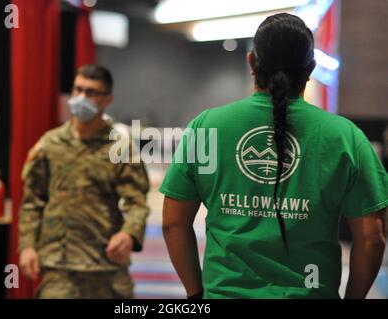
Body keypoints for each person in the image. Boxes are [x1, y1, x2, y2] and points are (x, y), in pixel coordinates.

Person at [160, 13, 387, 299]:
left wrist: (195, 294)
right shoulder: (345, 136)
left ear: (252, 62)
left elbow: (173, 223)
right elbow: (371, 239)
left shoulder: (206, 128)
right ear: (311, 69)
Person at [18, 64, 150, 298]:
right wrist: (27, 245)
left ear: (107, 100)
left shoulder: (119, 148)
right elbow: (32, 201)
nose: (81, 97)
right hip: (59, 266)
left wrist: (129, 234)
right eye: (78, 89)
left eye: (91, 92)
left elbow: (136, 202)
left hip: (106, 266)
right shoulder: (49, 144)